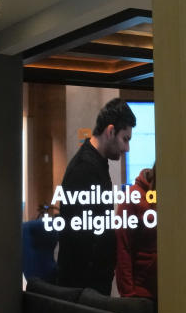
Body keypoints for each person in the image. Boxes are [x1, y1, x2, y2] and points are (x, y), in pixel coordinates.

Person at [56, 98, 135, 295]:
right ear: (110, 131)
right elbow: (82, 241)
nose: (127, 149)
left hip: (90, 287)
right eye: (125, 139)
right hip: (84, 289)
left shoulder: (96, 163)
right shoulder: (85, 169)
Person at [116, 165, 157, 299]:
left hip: (170, 288)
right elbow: (122, 248)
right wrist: (128, 294)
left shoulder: (168, 196)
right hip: (141, 293)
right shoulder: (133, 197)